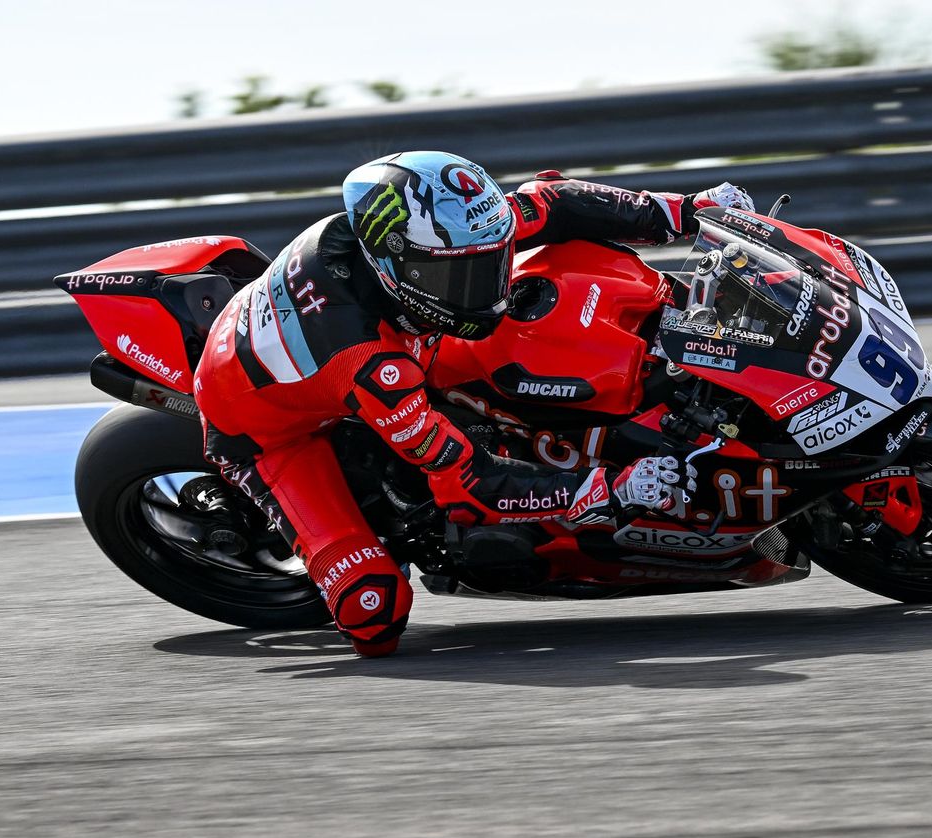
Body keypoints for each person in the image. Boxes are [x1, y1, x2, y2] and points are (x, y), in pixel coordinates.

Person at [193, 150, 755, 657]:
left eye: (492, 260)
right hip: (266, 431)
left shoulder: (438, 232)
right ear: (396, 265)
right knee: (374, 617)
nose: (488, 287)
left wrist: (688, 212)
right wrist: (609, 489)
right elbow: (471, 483)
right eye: (460, 275)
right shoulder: (370, 366)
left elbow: (556, 203)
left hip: (408, 338)